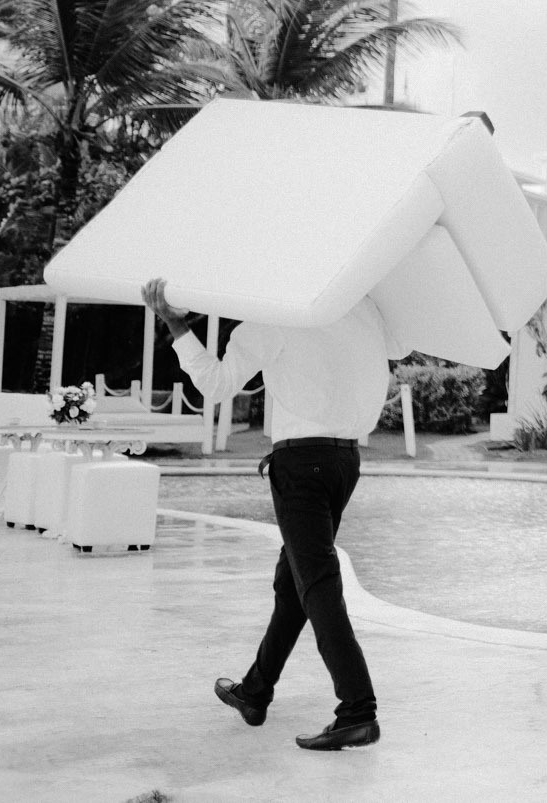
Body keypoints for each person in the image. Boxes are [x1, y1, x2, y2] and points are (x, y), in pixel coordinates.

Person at [142, 278, 402, 751]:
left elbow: (216, 385)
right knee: (294, 587)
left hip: (301, 465)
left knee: (317, 583)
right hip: (346, 462)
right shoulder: (362, 306)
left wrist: (175, 323)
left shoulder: (273, 317)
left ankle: (358, 711)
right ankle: (255, 692)